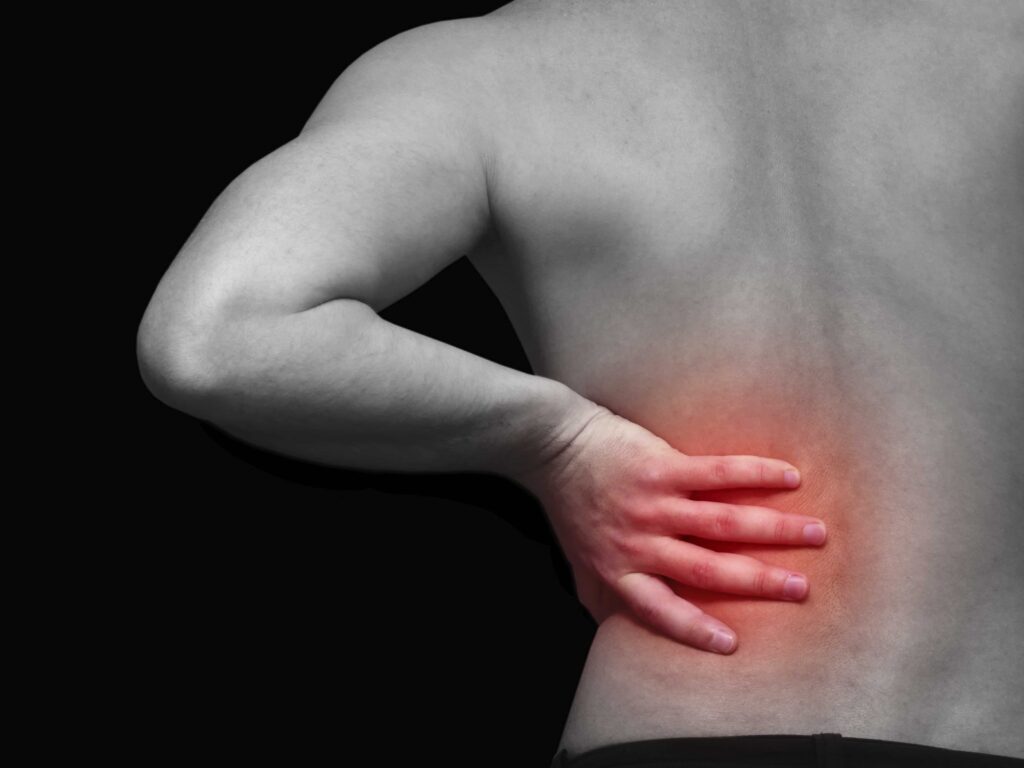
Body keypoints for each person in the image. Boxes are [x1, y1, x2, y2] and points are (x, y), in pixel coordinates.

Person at [136, 1, 1024, 765]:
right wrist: (558, 443)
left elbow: (215, 333)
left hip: (670, 735)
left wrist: (556, 442)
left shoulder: (481, 72)